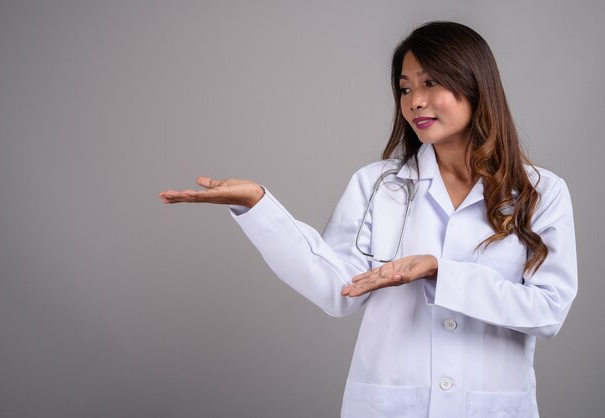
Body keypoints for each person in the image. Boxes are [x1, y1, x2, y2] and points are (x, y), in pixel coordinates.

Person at [159, 21, 577, 418]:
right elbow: (337, 289)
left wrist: (438, 271)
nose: (415, 100)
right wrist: (257, 206)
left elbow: (549, 310)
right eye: (405, 87)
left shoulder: (541, 192)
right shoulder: (378, 185)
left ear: (475, 85)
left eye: (431, 82)